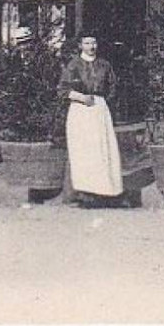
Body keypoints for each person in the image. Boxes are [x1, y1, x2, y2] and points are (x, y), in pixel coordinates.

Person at [59, 34, 123, 205]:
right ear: (80, 45)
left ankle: (103, 191)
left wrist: (103, 101)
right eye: (87, 43)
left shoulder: (105, 65)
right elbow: (63, 89)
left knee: (101, 149)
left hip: (99, 110)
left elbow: (113, 86)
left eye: (94, 42)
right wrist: (82, 98)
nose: (91, 46)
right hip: (80, 110)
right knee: (83, 150)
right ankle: (82, 192)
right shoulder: (73, 65)